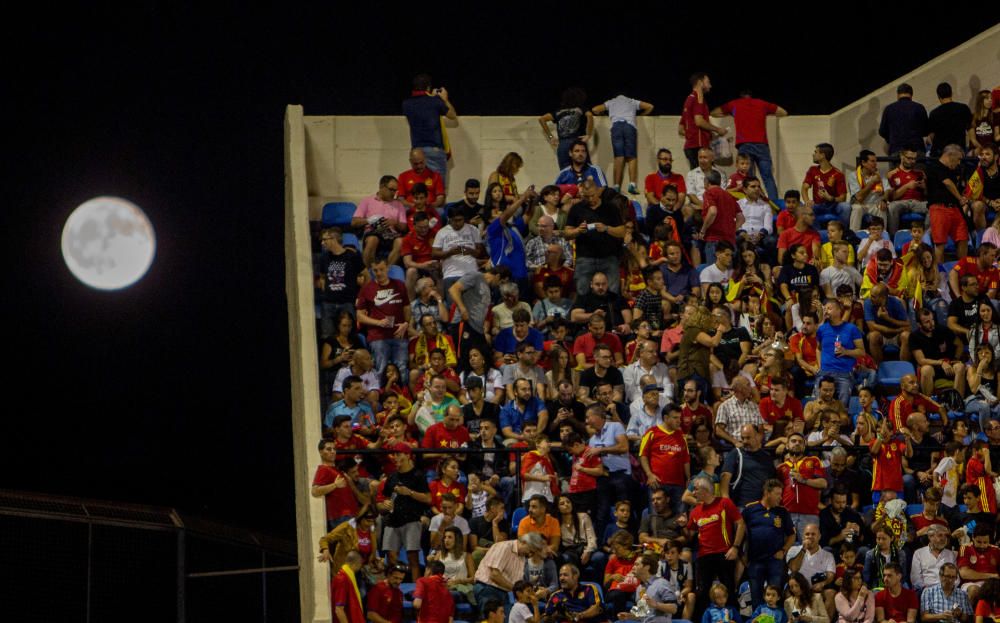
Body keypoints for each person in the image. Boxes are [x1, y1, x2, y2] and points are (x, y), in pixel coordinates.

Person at [711, 89, 787, 200]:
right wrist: (767, 112)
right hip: (762, 145)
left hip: (744, 144)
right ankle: (775, 205)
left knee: (748, 178)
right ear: (751, 96)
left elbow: (714, 113)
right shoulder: (762, 104)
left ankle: (751, 203)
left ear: (741, 96)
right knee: (768, 177)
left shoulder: (734, 104)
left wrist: (731, 113)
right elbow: (783, 112)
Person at [688, 474, 744, 614]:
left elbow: (741, 524)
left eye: (695, 489)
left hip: (724, 553)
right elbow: (689, 534)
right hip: (703, 556)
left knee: (728, 590)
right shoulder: (695, 511)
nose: (693, 493)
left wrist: (735, 547)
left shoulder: (724, 503)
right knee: (702, 593)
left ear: (705, 490)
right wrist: (683, 525)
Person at [380, 443, 431, 582]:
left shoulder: (418, 475)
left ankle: (416, 589)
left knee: (413, 557)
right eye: (393, 455)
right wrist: (384, 503)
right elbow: (384, 498)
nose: (395, 457)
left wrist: (410, 493)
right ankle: (393, 584)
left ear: (408, 455)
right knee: (390, 556)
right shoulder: (392, 477)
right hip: (392, 519)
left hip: (412, 520)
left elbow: (428, 498)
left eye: (398, 454)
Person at [563, 181, 626, 294]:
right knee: (582, 291)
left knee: (612, 292)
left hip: (608, 257)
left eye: (593, 195)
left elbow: (622, 232)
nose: (591, 199)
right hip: (585, 258)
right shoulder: (576, 209)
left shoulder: (611, 208)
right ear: (582, 194)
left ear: (598, 191)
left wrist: (606, 228)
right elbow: (567, 234)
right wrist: (578, 230)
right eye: (587, 197)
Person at [743, 478, 797, 609]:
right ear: (767, 493)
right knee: (756, 598)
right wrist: (743, 554)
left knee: (775, 598)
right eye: (777, 494)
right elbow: (741, 532)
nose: (780, 497)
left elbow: (792, 535)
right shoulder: (750, 510)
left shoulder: (782, 512)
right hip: (755, 560)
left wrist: (783, 550)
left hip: (775, 561)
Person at [356, 257, 410, 382]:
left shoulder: (400, 285)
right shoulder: (367, 288)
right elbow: (359, 316)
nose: (379, 273)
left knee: (401, 369)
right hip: (378, 337)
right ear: (371, 271)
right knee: (381, 369)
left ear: (388, 268)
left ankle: (403, 398)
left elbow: (407, 308)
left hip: (399, 334)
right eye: (375, 270)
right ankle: (381, 399)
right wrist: (378, 322)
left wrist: (406, 324)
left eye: (381, 269)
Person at [592, 94, 653, 193]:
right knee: (631, 156)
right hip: (629, 126)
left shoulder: (611, 102)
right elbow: (650, 106)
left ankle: (616, 186)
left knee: (618, 157)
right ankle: (632, 185)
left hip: (616, 127)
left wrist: (603, 114)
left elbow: (595, 109)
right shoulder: (632, 101)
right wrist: (642, 115)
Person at [474, 534, 547, 618]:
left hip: (504, 592)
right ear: (524, 542)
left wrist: (534, 590)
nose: (530, 554)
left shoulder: (522, 557)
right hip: (487, 588)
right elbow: (494, 575)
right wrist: (516, 590)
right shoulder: (504, 547)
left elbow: (517, 583)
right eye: (530, 550)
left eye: (533, 552)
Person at [402, 74, 456, 185]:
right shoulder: (435, 102)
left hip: (417, 151)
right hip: (434, 150)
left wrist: (431, 96)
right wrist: (444, 99)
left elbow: (422, 109)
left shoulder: (406, 104)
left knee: (420, 190)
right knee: (438, 190)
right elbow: (452, 115)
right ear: (428, 87)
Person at [639, 404, 691, 514]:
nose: (679, 421)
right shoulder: (652, 433)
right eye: (675, 418)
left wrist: (688, 479)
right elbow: (642, 455)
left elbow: (686, 459)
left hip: (678, 484)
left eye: (679, 418)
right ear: (666, 418)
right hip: (657, 483)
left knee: (680, 517)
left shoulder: (681, 436)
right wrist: (649, 474)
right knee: (655, 517)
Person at [316, 228, 366, 338]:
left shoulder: (352, 256)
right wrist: (326, 290)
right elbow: (323, 276)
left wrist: (361, 297)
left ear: (333, 239)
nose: (322, 242)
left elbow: (366, 275)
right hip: (328, 303)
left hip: (347, 302)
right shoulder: (324, 257)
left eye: (325, 239)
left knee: (349, 336)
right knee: (327, 336)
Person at [778, 433, 828, 541]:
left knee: (810, 550)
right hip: (787, 514)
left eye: (800, 442)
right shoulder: (781, 467)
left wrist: (803, 480)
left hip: (810, 515)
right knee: (786, 549)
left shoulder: (813, 460)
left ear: (804, 446)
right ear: (787, 445)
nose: (797, 443)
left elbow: (823, 483)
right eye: (793, 441)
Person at [815, 299, 865, 405]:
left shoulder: (852, 329)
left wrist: (846, 351)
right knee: (818, 406)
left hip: (844, 373)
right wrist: (820, 366)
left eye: (829, 308)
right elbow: (818, 349)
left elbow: (861, 352)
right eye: (825, 309)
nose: (826, 311)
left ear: (838, 311)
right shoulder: (821, 329)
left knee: (842, 407)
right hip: (824, 372)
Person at [926, 144, 971, 263]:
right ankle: (940, 273)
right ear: (950, 154)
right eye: (958, 159)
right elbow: (947, 183)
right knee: (940, 243)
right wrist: (960, 198)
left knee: (963, 238)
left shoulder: (952, 171)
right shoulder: (934, 167)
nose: (959, 162)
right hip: (939, 208)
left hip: (955, 209)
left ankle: (963, 268)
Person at [353, 175, 409, 267]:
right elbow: (354, 222)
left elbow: (404, 227)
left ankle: (387, 271)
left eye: (395, 191)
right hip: (373, 231)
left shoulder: (399, 205)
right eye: (391, 190)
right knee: (372, 240)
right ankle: (368, 272)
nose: (394, 193)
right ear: (382, 187)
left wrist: (395, 223)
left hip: (391, 233)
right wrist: (369, 220)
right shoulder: (367, 201)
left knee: (401, 242)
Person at [434, 206, 485, 305]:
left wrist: (470, 251)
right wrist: (450, 252)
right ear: (449, 219)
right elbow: (434, 253)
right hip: (451, 273)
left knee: (473, 307)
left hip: (471, 272)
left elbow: (480, 253)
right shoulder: (442, 232)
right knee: (454, 308)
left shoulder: (473, 230)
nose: (457, 223)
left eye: (460, 220)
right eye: (454, 220)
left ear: (464, 219)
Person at [787, 524, 837, 617]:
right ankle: (796, 619)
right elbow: (794, 569)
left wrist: (822, 584)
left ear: (819, 537)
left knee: (831, 593)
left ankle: (823, 621)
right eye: (807, 534)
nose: (810, 537)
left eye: (813, 534)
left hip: (817, 589)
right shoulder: (793, 550)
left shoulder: (827, 555)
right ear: (803, 536)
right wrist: (803, 549)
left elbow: (831, 574)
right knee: (788, 591)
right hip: (797, 589)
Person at [680, 72, 727, 169]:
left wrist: (693, 134)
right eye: (708, 82)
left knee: (702, 178)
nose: (710, 85)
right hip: (698, 147)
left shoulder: (689, 99)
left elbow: (681, 128)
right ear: (700, 83)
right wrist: (717, 130)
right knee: (708, 178)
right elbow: (699, 121)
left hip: (691, 146)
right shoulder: (698, 98)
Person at [539, 87, 594, 170]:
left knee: (565, 173)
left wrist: (551, 137)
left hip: (563, 144)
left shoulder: (558, 111)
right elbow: (589, 115)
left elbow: (542, 119)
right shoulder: (580, 109)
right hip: (577, 142)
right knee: (586, 170)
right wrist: (588, 134)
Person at [696, 170, 745, 263]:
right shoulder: (729, 195)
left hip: (715, 241)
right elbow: (741, 218)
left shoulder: (709, 193)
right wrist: (731, 230)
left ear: (706, 181)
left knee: (714, 274)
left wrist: (703, 230)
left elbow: (713, 211)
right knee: (726, 276)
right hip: (730, 243)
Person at [802, 143, 851, 229]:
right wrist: (807, 201)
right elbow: (804, 188)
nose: (813, 154)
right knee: (806, 208)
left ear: (822, 155)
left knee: (846, 207)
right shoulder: (812, 170)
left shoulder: (838, 174)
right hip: (817, 205)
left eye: (816, 152)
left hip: (833, 205)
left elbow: (843, 198)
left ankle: (842, 232)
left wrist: (830, 198)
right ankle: (817, 234)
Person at [848, 150, 893, 234]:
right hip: (861, 204)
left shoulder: (880, 174)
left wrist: (884, 200)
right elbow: (858, 197)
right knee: (857, 209)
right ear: (863, 163)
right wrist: (872, 182)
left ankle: (883, 236)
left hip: (875, 204)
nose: (875, 164)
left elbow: (887, 190)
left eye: (876, 161)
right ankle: (853, 236)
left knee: (881, 207)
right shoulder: (853, 176)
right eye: (872, 161)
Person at [879, 83, 929, 155]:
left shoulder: (889, 109)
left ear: (898, 95)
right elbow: (926, 131)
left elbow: (882, 131)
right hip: (916, 151)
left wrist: (891, 139)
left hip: (896, 151)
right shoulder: (919, 107)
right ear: (911, 95)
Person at [887, 148, 929, 231]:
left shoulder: (920, 173)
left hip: (918, 203)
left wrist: (925, 188)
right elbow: (892, 198)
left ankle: (926, 237)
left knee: (933, 206)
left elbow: (927, 195)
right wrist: (907, 186)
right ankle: (893, 237)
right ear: (902, 156)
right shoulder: (892, 174)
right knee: (892, 207)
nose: (912, 161)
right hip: (900, 202)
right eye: (909, 158)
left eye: (914, 159)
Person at [928, 82, 972, 157]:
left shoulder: (934, 113)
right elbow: (970, 129)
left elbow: (931, 135)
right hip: (959, 152)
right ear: (951, 93)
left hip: (941, 154)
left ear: (938, 96)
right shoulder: (963, 108)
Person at [911, 525, 957, 591]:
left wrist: (948, 588)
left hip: (947, 590)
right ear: (930, 537)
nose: (944, 538)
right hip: (926, 591)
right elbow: (915, 579)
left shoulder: (951, 554)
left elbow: (956, 578)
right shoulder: (919, 553)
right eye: (940, 535)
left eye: (946, 536)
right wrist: (926, 590)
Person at [967, 145, 1000, 233]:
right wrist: (990, 202)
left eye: (987, 154)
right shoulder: (978, 171)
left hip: (998, 203)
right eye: (982, 154)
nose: (983, 157)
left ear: (996, 157)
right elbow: (971, 195)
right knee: (977, 205)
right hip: (985, 203)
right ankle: (981, 239)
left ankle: (992, 237)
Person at [331, 551, 366, 623]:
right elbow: (339, 609)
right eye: (360, 564)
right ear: (356, 564)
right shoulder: (342, 579)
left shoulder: (346, 577)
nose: (360, 567)